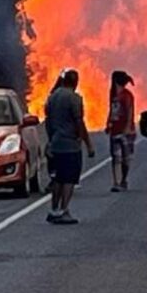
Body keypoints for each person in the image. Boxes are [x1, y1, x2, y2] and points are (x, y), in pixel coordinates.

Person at [44, 68, 95, 224]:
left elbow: (48, 121)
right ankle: (65, 210)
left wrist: (51, 140)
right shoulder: (74, 99)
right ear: (76, 82)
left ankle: (54, 209)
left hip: (56, 144)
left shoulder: (52, 97)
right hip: (70, 145)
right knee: (69, 179)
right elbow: (79, 122)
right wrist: (88, 144)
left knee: (58, 178)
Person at [106, 70, 136, 192]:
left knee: (125, 158)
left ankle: (123, 179)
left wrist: (127, 127)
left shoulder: (127, 95)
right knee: (115, 157)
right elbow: (111, 110)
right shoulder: (113, 95)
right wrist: (108, 123)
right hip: (115, 130)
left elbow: (129, 111)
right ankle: (116, 182)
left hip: (126, 132)